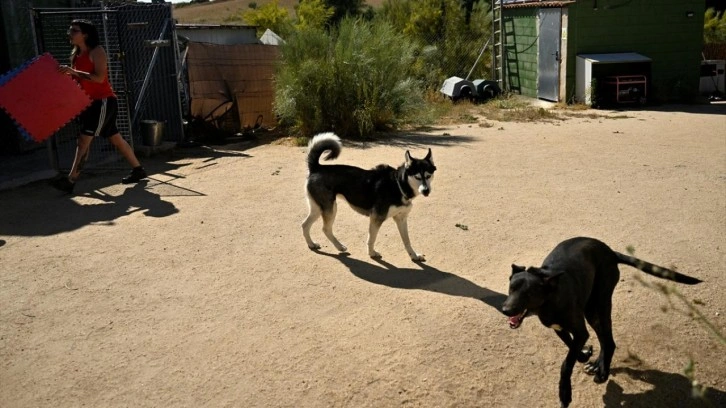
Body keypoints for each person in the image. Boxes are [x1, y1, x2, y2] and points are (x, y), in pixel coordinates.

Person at [50, 19, 146, 193]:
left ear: (85, 34)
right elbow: (77, 80)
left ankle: (71, 181)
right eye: (70, 30)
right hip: (91, 103)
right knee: (115, 137)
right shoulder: (76, 55)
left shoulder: (97, 51)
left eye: (74, 31)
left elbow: (99, 78)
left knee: (83, 140)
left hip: (103, 101)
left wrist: (72, 72)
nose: (70, 33)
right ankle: (138, 169)